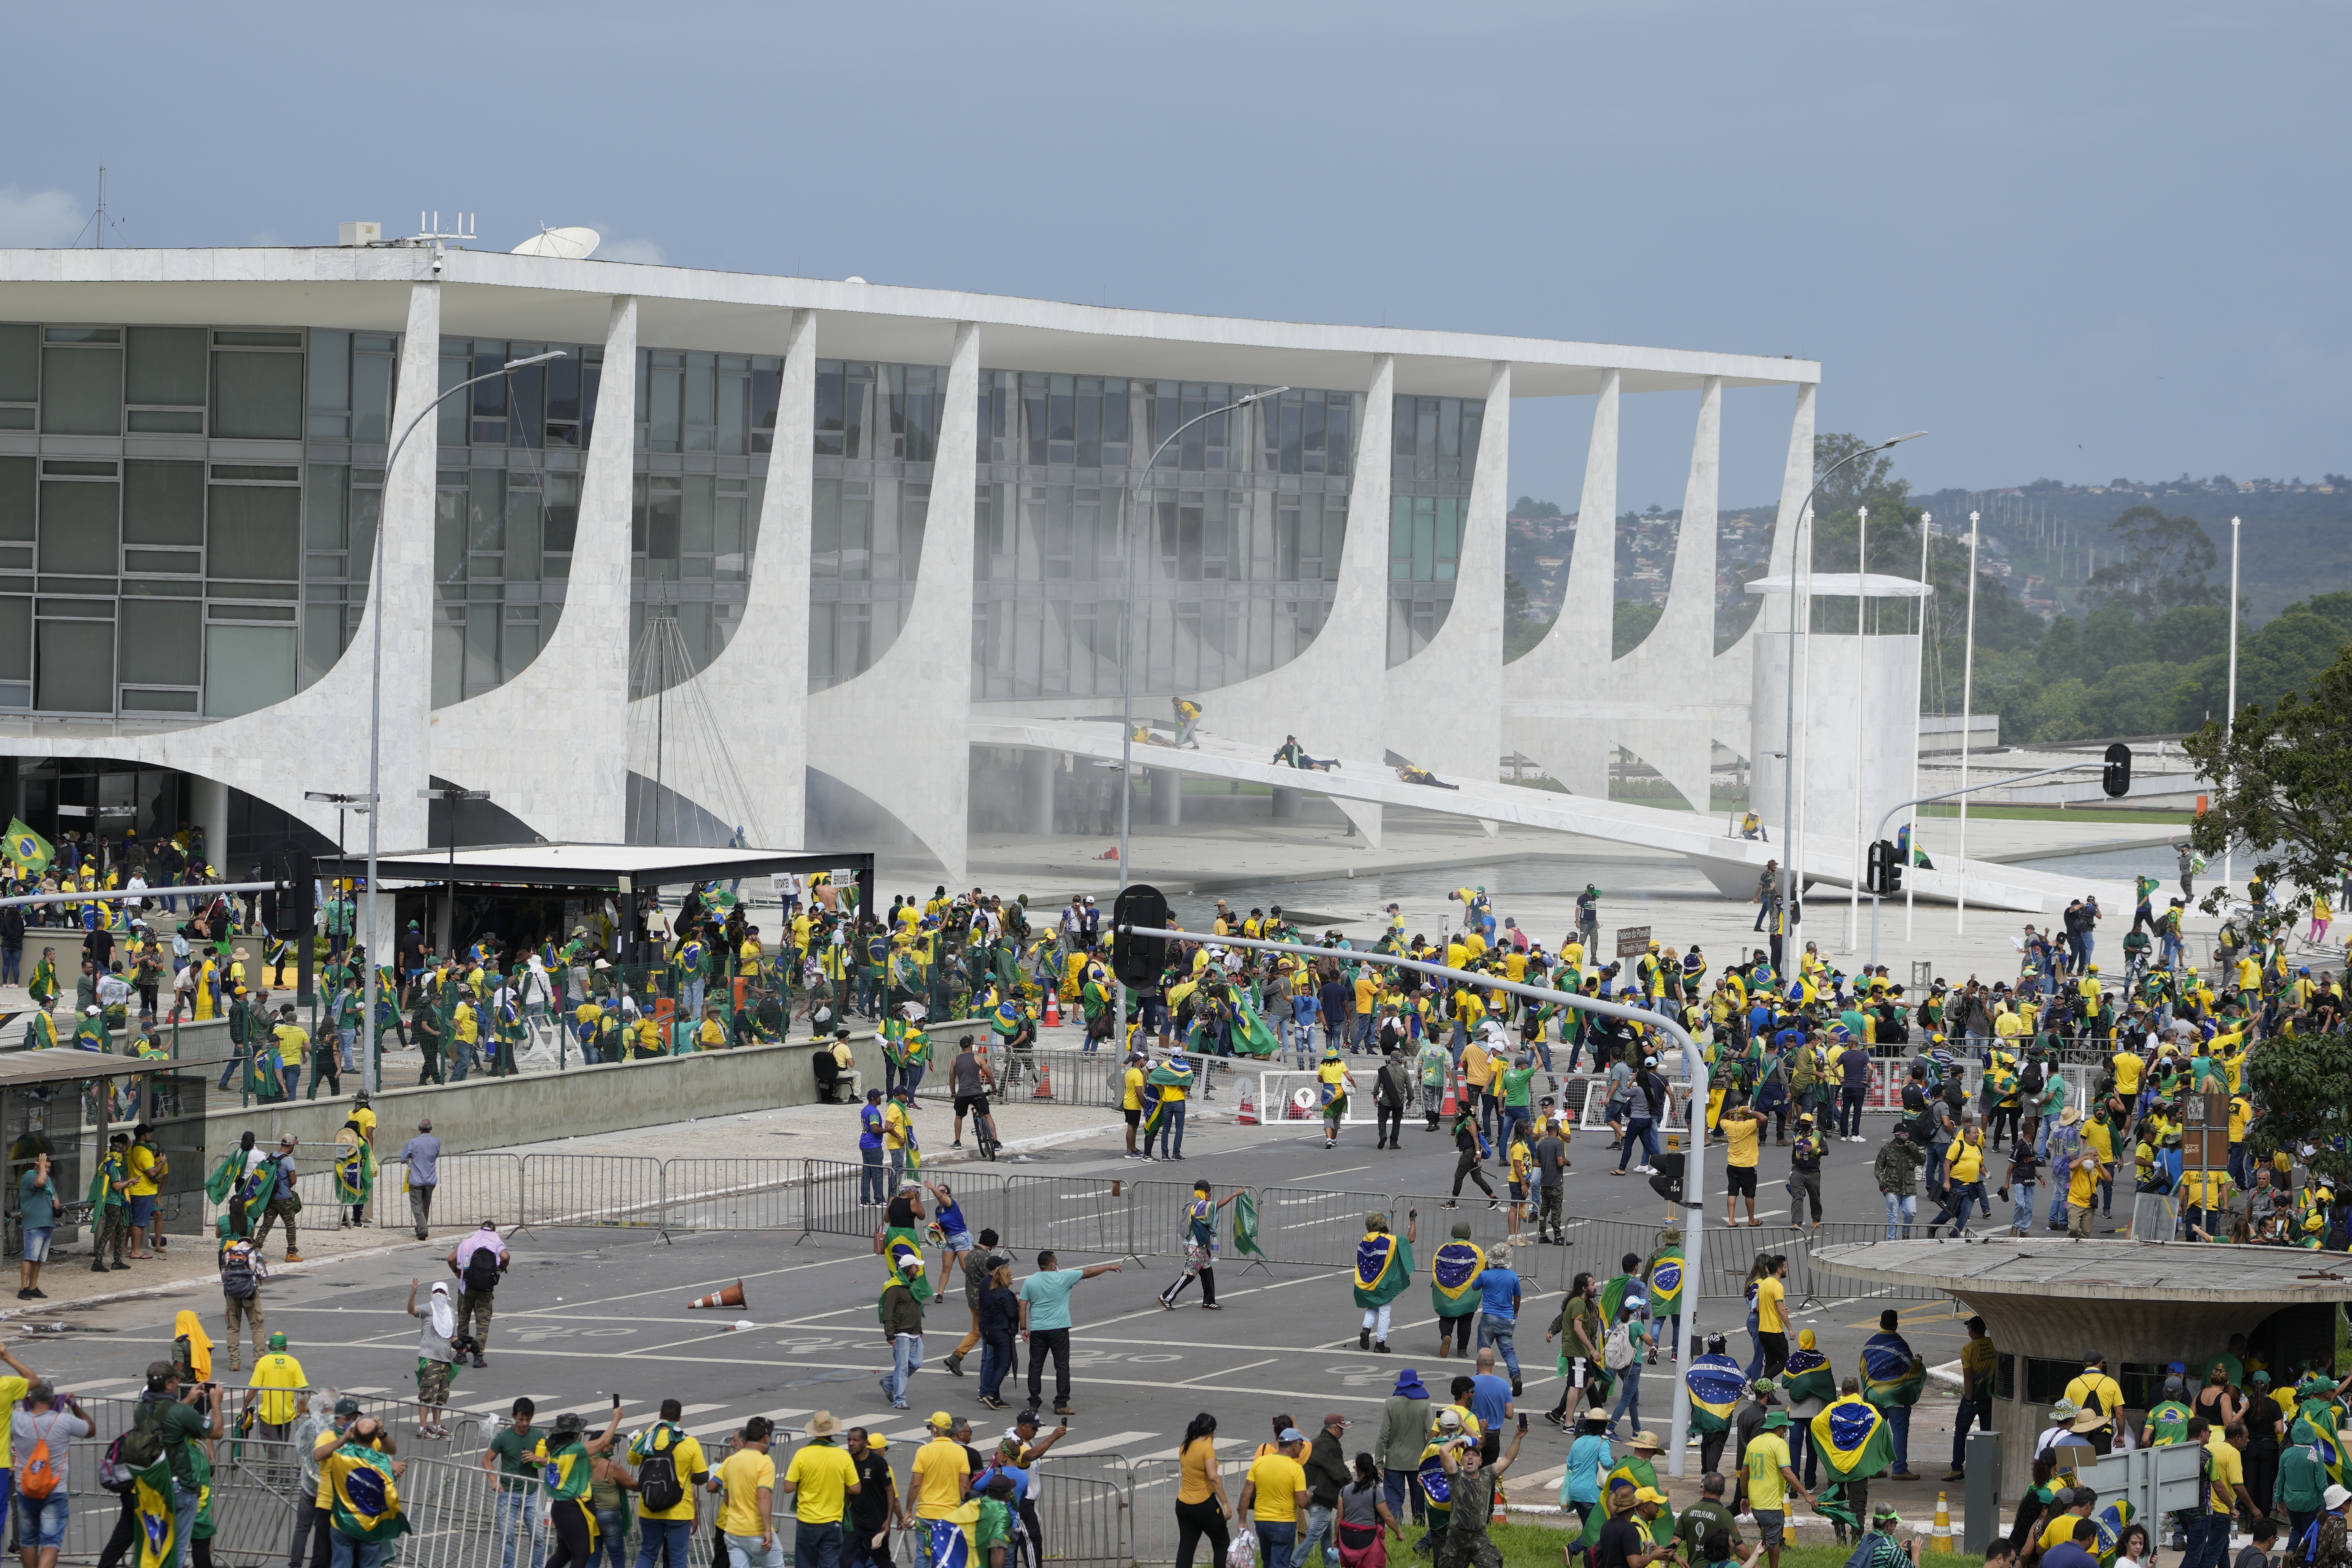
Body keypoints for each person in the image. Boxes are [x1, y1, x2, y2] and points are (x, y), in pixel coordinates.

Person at [1017, 1251, 1119, 1416]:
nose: (1057, 1263)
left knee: (1035, 1366)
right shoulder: (1064, 1277)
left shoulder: (1030, 1281)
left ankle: (1034, 1403)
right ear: (1051, 1264)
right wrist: (1108, 1267)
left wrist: (1023, 1328)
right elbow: (1089, 1273)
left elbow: (1022, 1305)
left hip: (1038, 1329)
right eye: (1056, 1260)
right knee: (1062, 1366)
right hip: (1059, 1330)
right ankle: (1061, 1403)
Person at [13, 1380, 90, 1568]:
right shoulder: (64, 1420)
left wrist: (24, 1404)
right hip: (55, 1490)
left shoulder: (17, 1420)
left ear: (30, 1399)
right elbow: (90, 1429)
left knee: (28, 1541)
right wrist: (74, 1406)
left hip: (25, 1488)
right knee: (51, 1542)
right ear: (54, 1399)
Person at [1430, 1412, 1522, 1568]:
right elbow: (1444, 1452)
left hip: (1480, 1536)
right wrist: (1460, 1440)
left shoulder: (1487, 1474)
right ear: (1461, 1460)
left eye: (1474, 1455)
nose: (1470, 1458)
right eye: (1467, 1456)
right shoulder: (1456, 1475)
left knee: (1493, 1563)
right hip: (1458, 1536)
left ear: (1480, 1461)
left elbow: (1508, 1458)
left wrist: (1518, 1437)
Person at [539, 1404, 626, 1568]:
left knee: (565, 1554)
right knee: (582, 1555)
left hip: (560, 1508)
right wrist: (616, 1419)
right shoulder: (575, 1449)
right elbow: (604, 1442)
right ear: (575, 1433)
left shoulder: (556, 1451)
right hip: (573, 1509)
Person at [626, 1398, 710, 1568]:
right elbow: (703, 1476)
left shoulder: (644, 1439)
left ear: (660, 1415)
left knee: (648, 1553)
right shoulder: (689, 1442)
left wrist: (648, 1432)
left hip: (649, 1507)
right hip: (679, 1510)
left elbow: (632, 1460)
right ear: (679, 1419)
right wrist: (686, 1476)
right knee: (678, 1559)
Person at [1745, 1410, 1810, 1568]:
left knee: (1766, 1539)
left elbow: (1745, 1473)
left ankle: (1747, 1563)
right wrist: (1806, 1494)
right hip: (1771, 1504)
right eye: (1785, 1428)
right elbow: (1787, 1473)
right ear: (1780, 1428)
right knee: (1773, 1543)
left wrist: (1744, 1496)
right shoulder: (1779, 1444)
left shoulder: (1753, 1442)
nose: (1785, 1431)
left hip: (1756, 1503)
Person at [1240, 1426, 1310, 1568]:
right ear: (1294, 1446)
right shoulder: (1296, 1469)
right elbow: (1302, 1503)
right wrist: (1309, 1496)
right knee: (1279, 1564)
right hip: (1284, 1523)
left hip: (1262, 1522)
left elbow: (1246, 1494)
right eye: (1301, 1445)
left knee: (1268, 1562)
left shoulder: (1260, 1462)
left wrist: (1242, 1520)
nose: (1302, 1449)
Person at [911, 1411, 972, 1568]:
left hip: (926, 1513)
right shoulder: (960, 1452)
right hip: (949, 1515)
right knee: (946, 1557)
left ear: (935, 1430)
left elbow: (916, 1485)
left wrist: (907, 1511)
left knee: (922, 1556)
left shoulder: (924, 1451)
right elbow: (964, 1486)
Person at [1174, 1412, 1234, 1568]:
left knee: (1187, 1546)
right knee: (1222, 1543)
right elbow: (1213, 1478)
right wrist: (1225, 1504)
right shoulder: (1206, 1447)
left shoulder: (1185, 1446)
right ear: (1211, 1431)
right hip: (1203, 1504)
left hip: (1183, 1504)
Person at [449, 1220, 509, 1369]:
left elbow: (451, 1259)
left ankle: (461, 1354)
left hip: (467, 1287)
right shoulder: (496, 1243)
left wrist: (457, 1272)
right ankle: (478, 1357)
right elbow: (506, 1257)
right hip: (485, 1290)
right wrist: (501, 1268)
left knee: (463, 1320)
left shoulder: (468, 1243)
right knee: (482, 1324)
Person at [405, 1279, 460, 1438]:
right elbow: (412, 1311)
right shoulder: (428, 1309)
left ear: (447, 1295)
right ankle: (423, 1428)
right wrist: (413, 1293)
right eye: (436, 1292)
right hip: (429, 1359)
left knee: (441, 1396)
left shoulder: (450, 1313)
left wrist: (463, 1346)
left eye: (442, 1292)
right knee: (427, 1394)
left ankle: (437, 1426)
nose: (439, 1295)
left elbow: (453, 1337)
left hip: (445, 1359)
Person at [845, 1424, 904, 1568]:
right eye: (849, 1440)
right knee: (845, 1559)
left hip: (877, 1523)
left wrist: (888, 1521)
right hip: (856, 1521)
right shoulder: (848, 1462)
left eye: (856, 1440)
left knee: (881, 1562)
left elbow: (890, 1492)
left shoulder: (878, 1463)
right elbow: (847, 1492)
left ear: (866, 1443)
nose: (852, 1444)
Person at [1301, 1412, 1354, 1568]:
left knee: (1326, 1535)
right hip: (1319, 1497)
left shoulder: (1321, 1442)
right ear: (1335, 1429)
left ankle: (1332, 1566)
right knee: (1314, 1534)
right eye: (1342, 1429)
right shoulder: (1328, 1445)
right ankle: (1293, 1564)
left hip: (1314, 1493)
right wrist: (1354, 1487)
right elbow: (1340, 1473)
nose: (1343, 1432)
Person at [1338, 1450, 1402, 1568]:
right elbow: (1387, 1517)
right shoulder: (1375, 1492)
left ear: (1356, 1468)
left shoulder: (1344, 1491)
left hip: (1348, 1540)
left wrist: (1336, 1538)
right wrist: (1399, 1533)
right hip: (1368, 1538)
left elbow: (1340, 1517)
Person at [16, 1150, 56, 1300]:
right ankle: (23, 1288)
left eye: (48, 1167)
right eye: (44, 1167)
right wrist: (40, 1167)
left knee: (39, 1258)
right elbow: (40, 1182)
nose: (47, 1170)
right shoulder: (29, 1176)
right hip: (34, 1225)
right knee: (29, 1256)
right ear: (36, 1165)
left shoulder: (48, 1178)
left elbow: (53, 1192)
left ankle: (33, 1287)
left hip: (47, 1223)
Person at [399, 1121, 440, 1241]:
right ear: (431, 1128)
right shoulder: (436, 1142)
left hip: (416, 1179)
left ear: (419, 1129)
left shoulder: (413, 1143)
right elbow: (436, 1154)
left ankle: (423, 1229)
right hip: (431, 1178)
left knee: (417, 1205)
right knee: (426, 1205)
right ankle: (422, 1227)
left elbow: (403, 1158)